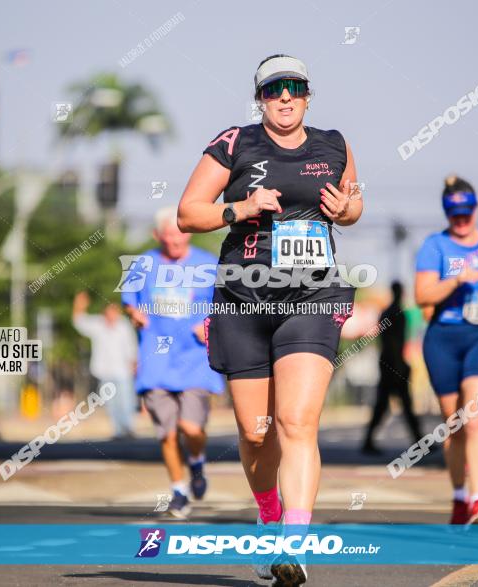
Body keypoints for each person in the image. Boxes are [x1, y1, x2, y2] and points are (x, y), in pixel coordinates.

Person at [177, 53, 361, 585]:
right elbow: (189, 213)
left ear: (308, 95)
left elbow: (355, 202)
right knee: (257, 434)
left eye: (295, 88)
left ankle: (294, 547)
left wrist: (344, 210)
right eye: (274, 89)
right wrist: (240, 208)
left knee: (298, 422)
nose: (286, 97)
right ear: (259, 97)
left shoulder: (335, 144)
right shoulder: (234, 143)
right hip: (244, 297)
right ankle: (268, 516)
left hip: (313, 295)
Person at [414, 174, 478, 526]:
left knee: (475, 419)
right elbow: (422, 296)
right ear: (446, 213)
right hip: (443, 338)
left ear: (475, 209)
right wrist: (456, 279)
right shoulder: (435, 246)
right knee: (454, 427)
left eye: (466, 212)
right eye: (454, 214)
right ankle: (459, 497)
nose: (461, 220)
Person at [121, 207, 225, 519]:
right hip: (156, 357)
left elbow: (226, 303)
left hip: (194, 356)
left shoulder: (208, 263)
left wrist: (208, 323)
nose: (175, 239)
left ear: (189, 232)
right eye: (168, 234)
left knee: (190, 427)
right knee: (166, 432)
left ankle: (197, 462)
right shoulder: (143, 264)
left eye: (179, 232)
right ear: (158, 236)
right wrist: (135, 314)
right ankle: (178, 492)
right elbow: (129, 301)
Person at [362, 281, 423, 455]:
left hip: (388, 363)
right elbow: (396, 343)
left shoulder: (386, 313)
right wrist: (401, 367)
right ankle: (418, 440)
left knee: (387, 405)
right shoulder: (398, 313)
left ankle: (369, 440)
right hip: (394, 365)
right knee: (398, 405)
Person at [72, 293, 138, 439]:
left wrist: (134, 363)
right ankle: (118, 431)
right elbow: (79, 322)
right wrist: (79, 306)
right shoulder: (98, 324)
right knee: (111, 403)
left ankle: (128, 428)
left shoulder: (124, 325)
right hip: (104, 371)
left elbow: (132, 346)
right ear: (105, 313)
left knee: (126, 401)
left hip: (123, 371)